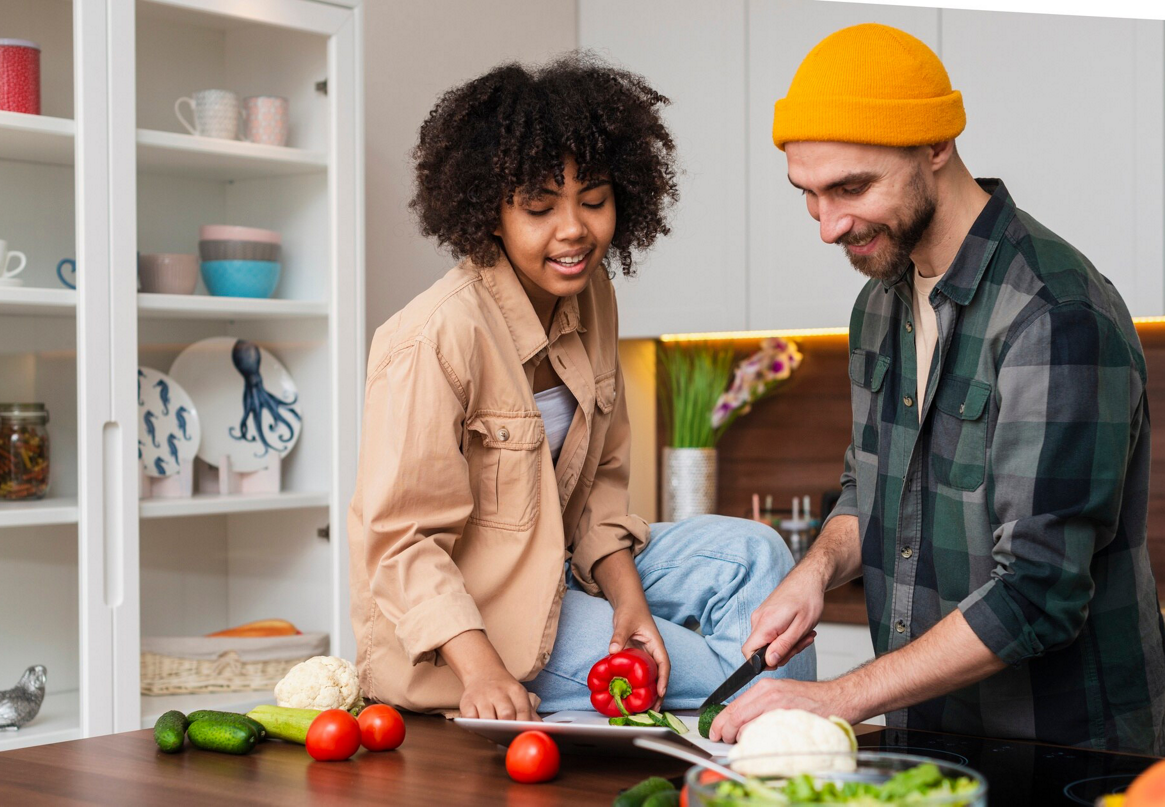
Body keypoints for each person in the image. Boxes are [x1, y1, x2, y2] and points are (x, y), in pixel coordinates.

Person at [711, 23, 1165, 756]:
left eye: (851, 188)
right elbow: (868, 488)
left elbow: (1037, 593)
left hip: (1065, 755)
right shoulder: (879, 305)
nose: (829, 225)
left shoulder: (1054, 312)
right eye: (808, 194)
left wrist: (836, 696)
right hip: (930, 743)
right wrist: (814, 572)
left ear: (936, 145)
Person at [347, 54, 815, 721]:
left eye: (593, 200)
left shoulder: (592, 295)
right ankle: (776, 750)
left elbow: (600, 488)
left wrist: (629, 602)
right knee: (741, 676)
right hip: (476, 622)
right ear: (491, 214)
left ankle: (755, 744)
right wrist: (481, 671)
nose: (574, 229)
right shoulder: (433, 337)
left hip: (565, 573)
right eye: (540, 207)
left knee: (758, 553)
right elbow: (400, 543)